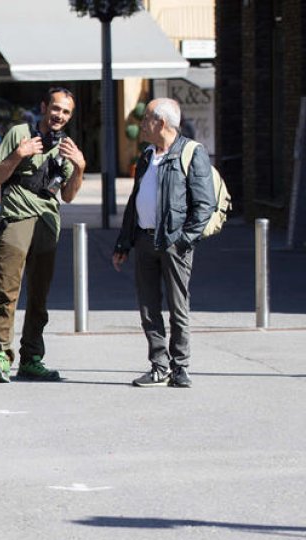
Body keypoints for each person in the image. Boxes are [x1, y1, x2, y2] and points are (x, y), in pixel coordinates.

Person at [0, 87, 86, 384]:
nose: (59, 116)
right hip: (16, 217)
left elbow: (67, 195)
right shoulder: (19, 133)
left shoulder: (67, 147)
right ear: (44, 107)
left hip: (48, 222)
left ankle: (31, 358)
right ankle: (0, 354)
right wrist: (18, 155)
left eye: (66, 112)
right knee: (7, 291)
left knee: (39, 296)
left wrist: (79, 167)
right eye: (55, 108)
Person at [111, 98, 215, 388]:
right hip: (145, 238)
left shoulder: (192, 153)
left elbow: (205, 205)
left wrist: (183, 240)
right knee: (148, 306)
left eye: (146, 119)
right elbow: (135, 202)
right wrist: (124, 243)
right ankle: (159, 365)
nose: (141, 124)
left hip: (174, 242)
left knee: (178, 307)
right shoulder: (146, 155)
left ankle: (180, 366)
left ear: (161, 123)